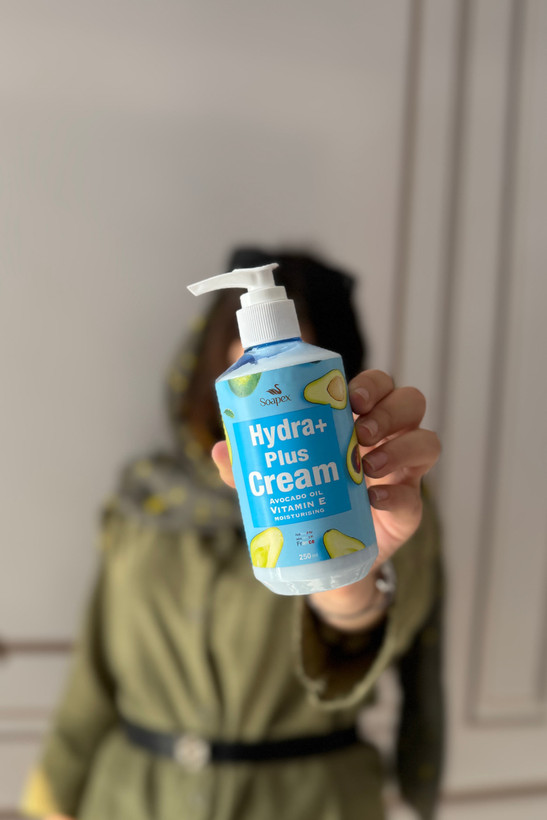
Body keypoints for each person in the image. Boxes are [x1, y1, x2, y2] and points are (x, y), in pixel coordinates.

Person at [21, 248, 444, 820]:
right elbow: (92, 677)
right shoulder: (144, 499)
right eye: (232, 342)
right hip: (130, 800)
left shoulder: (377, 492)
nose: (257, 367)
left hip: (306, 804)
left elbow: (376, 634)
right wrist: (49, 805)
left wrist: (348, 577)